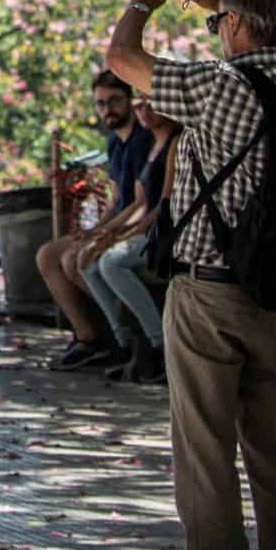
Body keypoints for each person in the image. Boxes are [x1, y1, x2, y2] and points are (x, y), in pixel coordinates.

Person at [107, 0, 276, 550]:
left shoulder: (215, 85)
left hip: (208, 291)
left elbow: (121, 60)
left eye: (218, 21)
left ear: (233, 25)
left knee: (206, 457)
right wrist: (222, 4)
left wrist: (144, 3)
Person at [36, 70, 156, 371]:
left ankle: (122, 335)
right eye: (101, 104)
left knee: (74, 258)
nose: (107, 110)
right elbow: (116, 199)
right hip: (115, 224)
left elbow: (143, 204)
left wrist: (103, 235)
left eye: (114, 101)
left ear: (129, 100)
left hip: (136, 228)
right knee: (47, 255)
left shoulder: (143, 139)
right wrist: (95, 228)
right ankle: (88, 336)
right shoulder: (115, 143)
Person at [80, 97, 179, 385]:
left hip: (166, 233)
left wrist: (123, 237)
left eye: (150, 104)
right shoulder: (149, 145)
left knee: (112, 261)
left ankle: (159, 344)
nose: (143, 111)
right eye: (138, 106)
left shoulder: (176, 142)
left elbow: (164, 205)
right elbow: (138, 202)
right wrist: (104, 233)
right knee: (90, 262)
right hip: (144, 229)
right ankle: (122, 340)